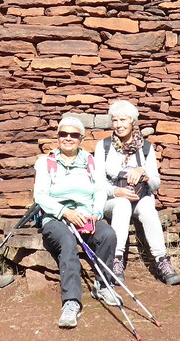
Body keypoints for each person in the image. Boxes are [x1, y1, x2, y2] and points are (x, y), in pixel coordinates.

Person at [33, 113, 119, 328]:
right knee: (67, 241)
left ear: (81, 138)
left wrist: (96, 214)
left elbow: (99, 190)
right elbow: (40, 196)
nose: (68, 138)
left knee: (108, 235)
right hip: (56, 218)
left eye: (74, 135)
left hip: (85, 216)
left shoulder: (90, 162)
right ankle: (71, 301)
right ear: (58, 137)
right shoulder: (46, 163)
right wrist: (65, 212)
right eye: (63, 134)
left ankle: (103, 285)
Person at [98, 99, 180, 285]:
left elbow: (156, 183)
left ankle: (162, 261)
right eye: (115, 120)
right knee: (122, 204)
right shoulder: (104, 146)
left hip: (139, 198)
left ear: (132, 121)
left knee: (148, 209)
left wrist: (143, 172)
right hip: (113, 200)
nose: (118, 125)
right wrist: (117, 191)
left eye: (123, 120)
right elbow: (98, 182)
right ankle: (116, 260)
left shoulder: (145, 147)